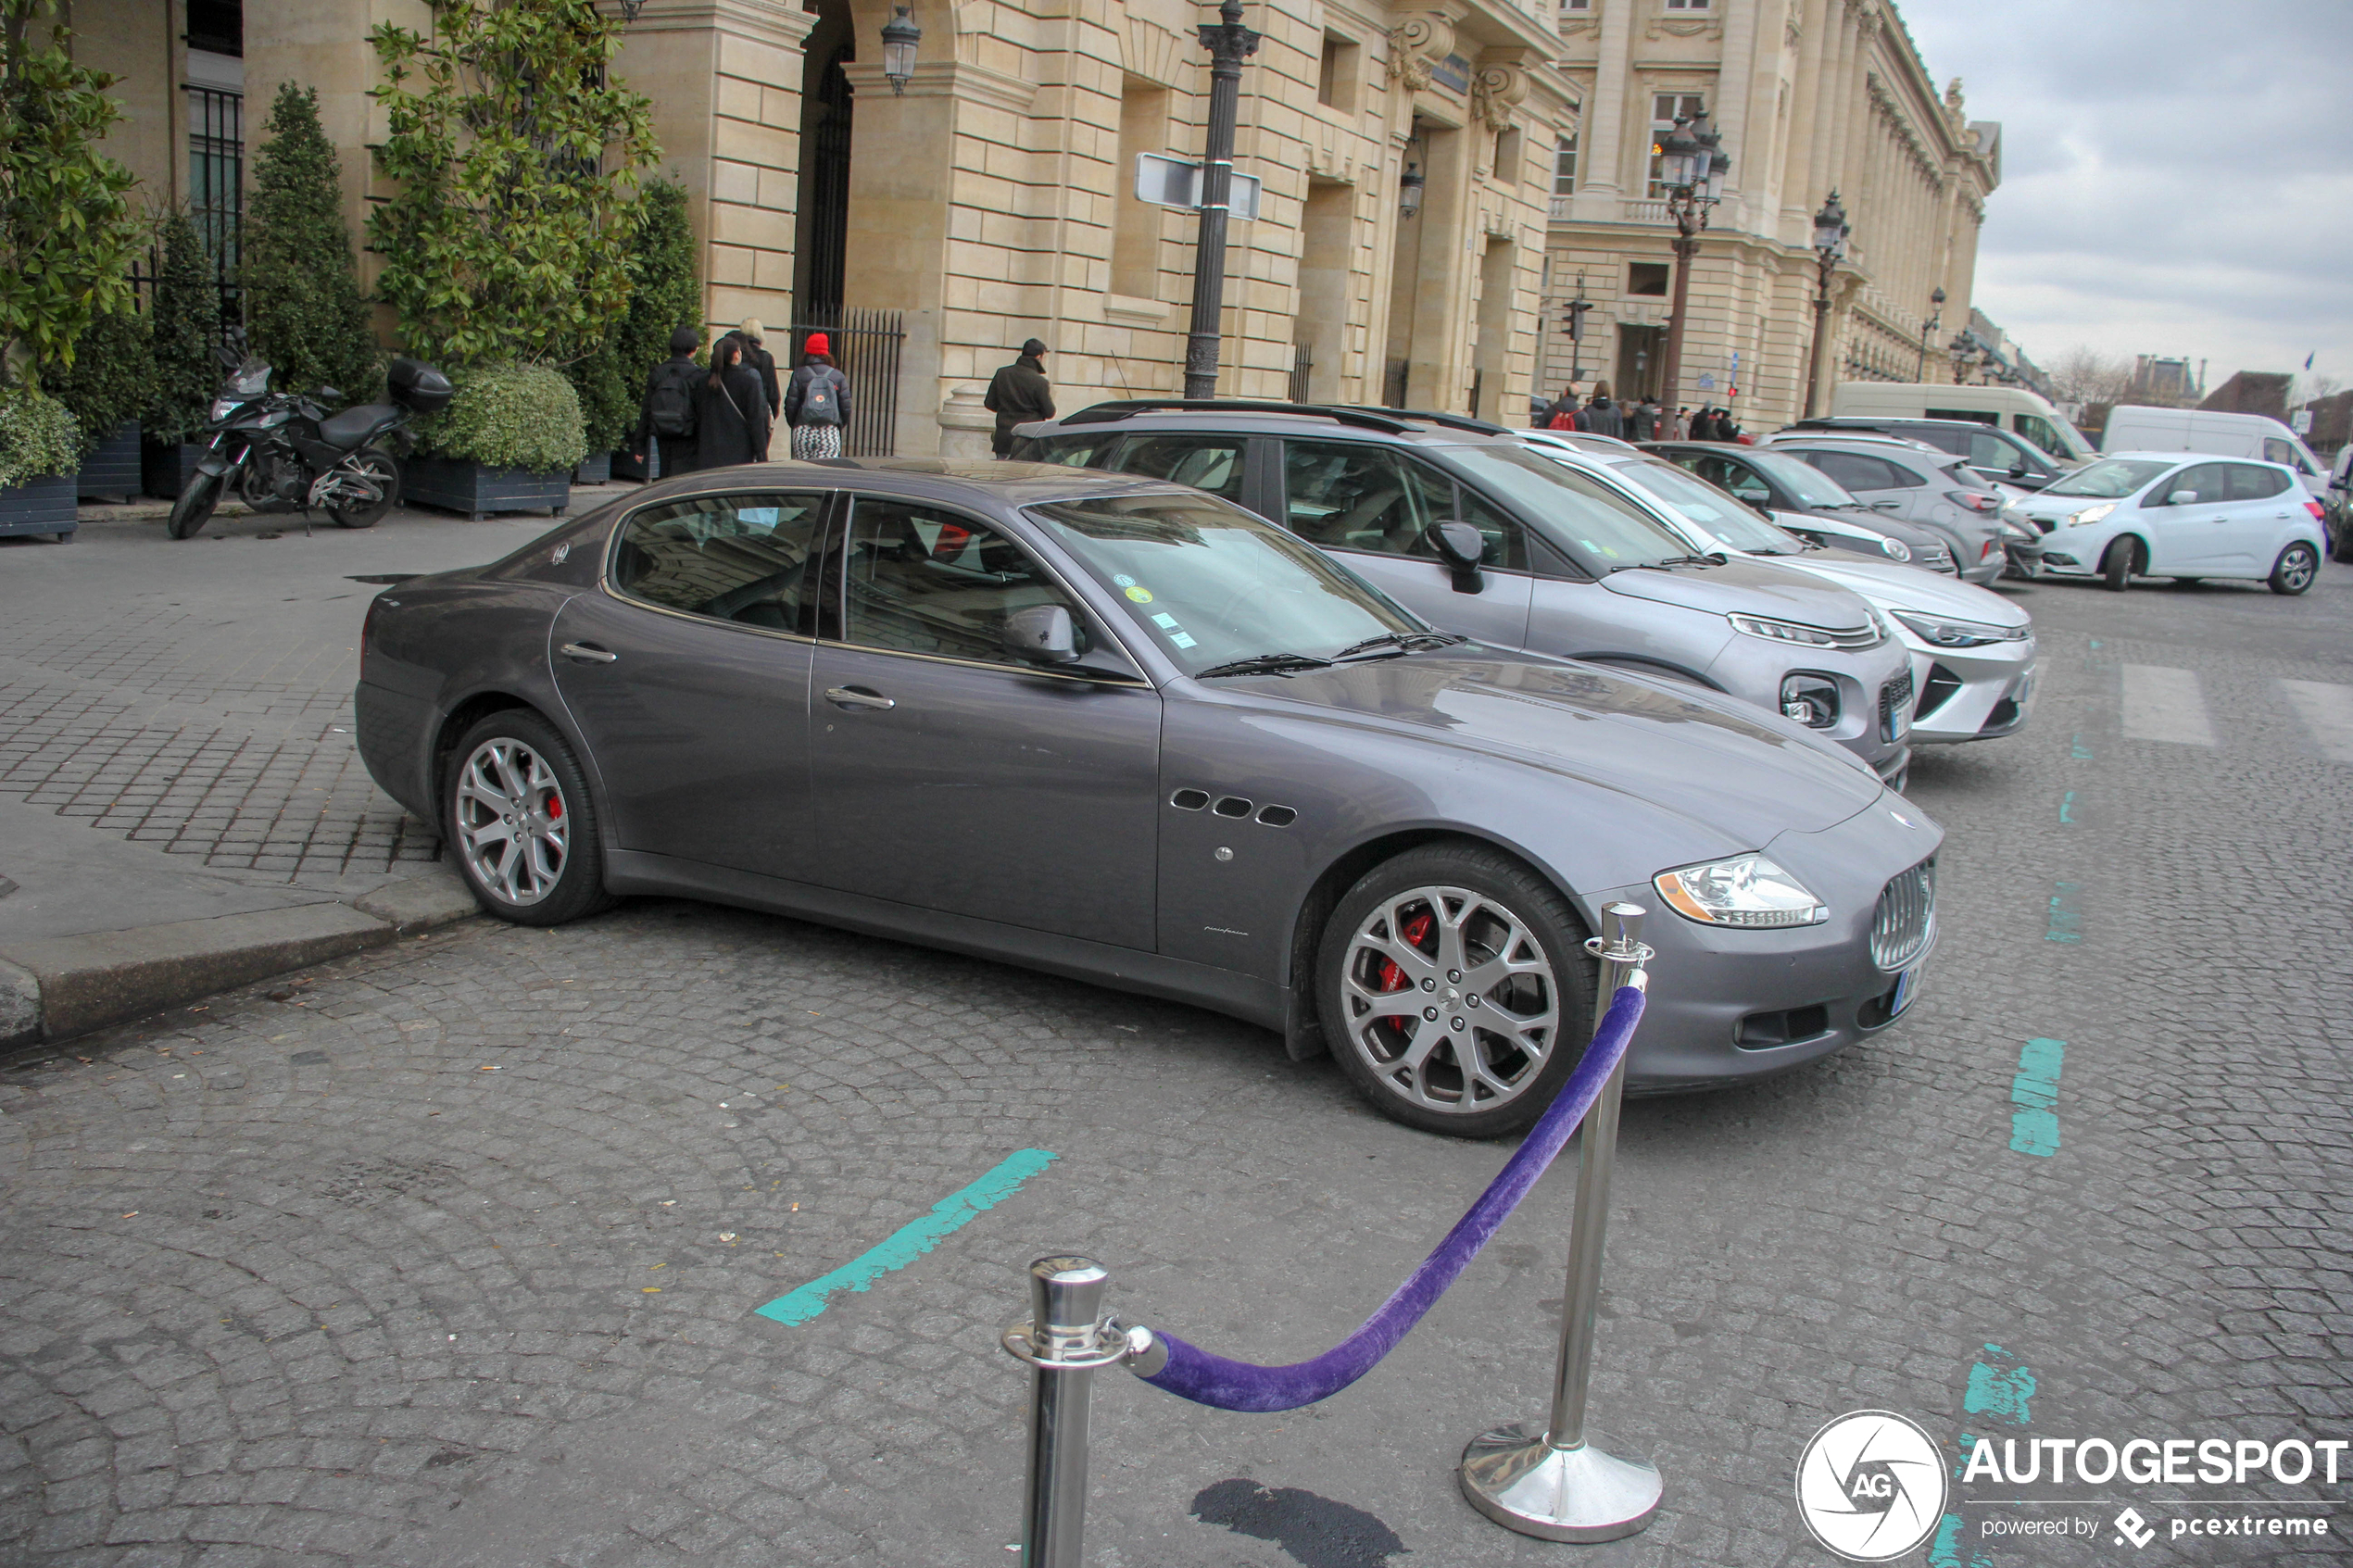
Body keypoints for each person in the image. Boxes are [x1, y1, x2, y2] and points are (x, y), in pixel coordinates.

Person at [629, 325, 703, 478]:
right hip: (688, 436)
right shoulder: (698, 375)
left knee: (665, 473)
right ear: (694, 349)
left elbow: (647, 409)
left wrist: (639, 446)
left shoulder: (658, 373)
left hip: (662, 433)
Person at [694, 334, 772, 469]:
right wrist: (761, 455)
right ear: (736, 355)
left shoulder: (702, 382)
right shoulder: (748, 382)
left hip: (707, 452)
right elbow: (756, 420)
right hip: (739, 453)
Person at [783, 332, 851, 459]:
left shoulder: (799, 374)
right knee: (826, 472)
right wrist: (838, 424)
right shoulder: (837, 376)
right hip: (828, 431)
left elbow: (791, 406)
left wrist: (797, 424)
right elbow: (846, 407)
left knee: (803, 472)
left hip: (804, 430)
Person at [983, 338, 1055, 457]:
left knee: (1002, 473)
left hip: (1004, 438)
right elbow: (1049, 412)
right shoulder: (1039, 381)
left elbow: (989, 403)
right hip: (1027, 440)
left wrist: (1006, 409)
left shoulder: (1002, 373)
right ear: (1039, 357)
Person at [723, 319, 781, 434]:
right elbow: (773, 393)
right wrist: (770, 416)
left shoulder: (735, 354)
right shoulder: (766, 357)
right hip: (759, 411)